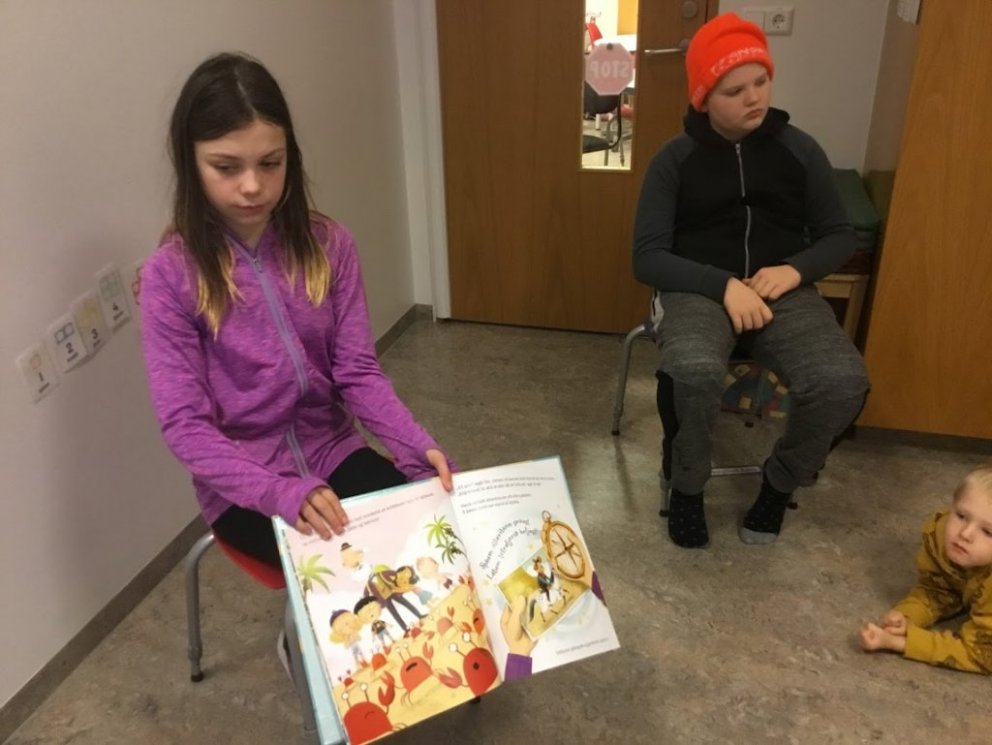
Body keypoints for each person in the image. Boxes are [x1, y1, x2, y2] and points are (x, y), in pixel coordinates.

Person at [140, 52, 453, 576]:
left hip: (333, 449)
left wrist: (414, 446)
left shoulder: (330, 245)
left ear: (291, 157)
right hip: (243, 485)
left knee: (431, 540)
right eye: (226, 167)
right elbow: (186, 427)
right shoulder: (170, 276)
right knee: (354, 573)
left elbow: (358, 372)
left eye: (270, 163)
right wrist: (280, 491)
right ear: (190, 164)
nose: (252, 186)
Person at [632, 13, 869, 549]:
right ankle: (686, 485)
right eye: (734, 90)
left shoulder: (799, 150)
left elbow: (838, 236)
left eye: (761, 81)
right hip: (698, 291)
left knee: (841, 381)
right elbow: (647, 258)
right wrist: (722, 285)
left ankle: (780, 484)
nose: (754, 98)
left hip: (781, 291)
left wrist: (794, 270)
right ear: (704, 98)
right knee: (692, 370)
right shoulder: (673, 160)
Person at [858, 465, 992, 674]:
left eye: (988, 532)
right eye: (961, 516)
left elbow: (981, 654)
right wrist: (907, 617)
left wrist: (902, 642)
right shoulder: (941, 536)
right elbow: (938, 589)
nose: (965, 534)